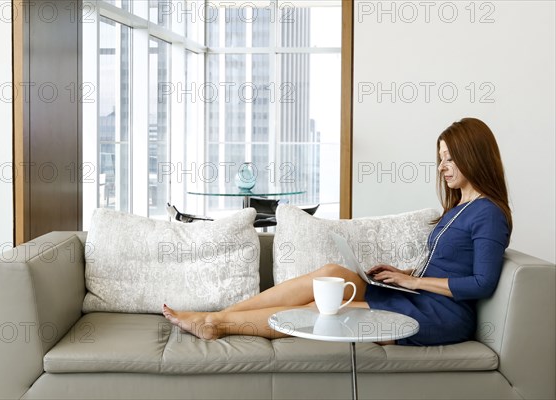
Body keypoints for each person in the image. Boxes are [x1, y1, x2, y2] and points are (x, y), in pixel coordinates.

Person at [164, 117, 512, 346]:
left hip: (442, 316)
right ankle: (224, 313)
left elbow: (483, 283)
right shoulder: (460, 206)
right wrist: (401, 274)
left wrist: (414, 282)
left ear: (473, 157)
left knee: (327, 306)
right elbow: (447, 265)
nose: (442, 167)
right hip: (418, 295)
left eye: (450, 158)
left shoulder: (489, 213)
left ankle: (216, 324)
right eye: (441, 158)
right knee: (333, 274)